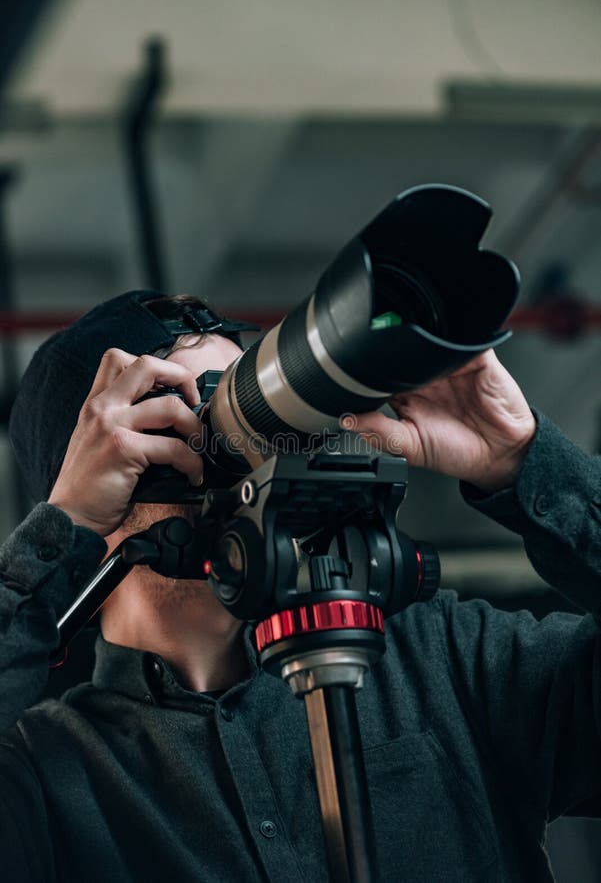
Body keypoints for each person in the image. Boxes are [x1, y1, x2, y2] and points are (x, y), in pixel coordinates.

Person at [0, 289, 599, 883]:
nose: (250, 451)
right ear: (96, 475)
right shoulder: (48, 778)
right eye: (192, 417)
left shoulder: (445, 659)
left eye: (253, 409)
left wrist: (526, 460)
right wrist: (63, 528)